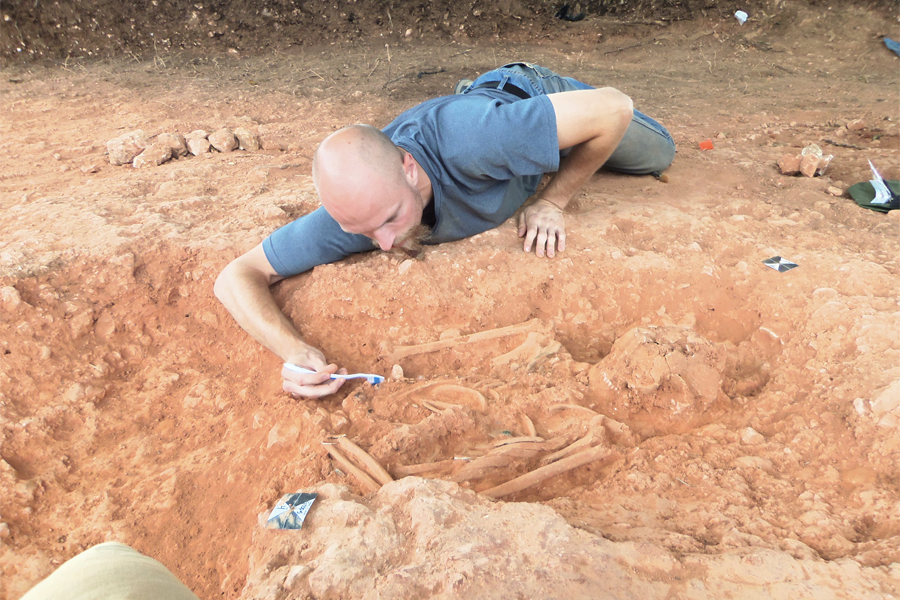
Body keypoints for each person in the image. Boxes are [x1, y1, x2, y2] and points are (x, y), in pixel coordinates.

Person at [214, 62, 675, 399]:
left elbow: (615, 108)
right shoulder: (364, 210)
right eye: (367, 232)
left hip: (523, 94)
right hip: (474, 113)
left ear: (409, 170)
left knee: (657, 155)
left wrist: (552, 201)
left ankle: (518, 100)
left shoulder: (479, 143)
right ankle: (470, 95)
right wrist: (292, 349)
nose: (386, 244)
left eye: (391, 219)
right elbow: (237, 275)